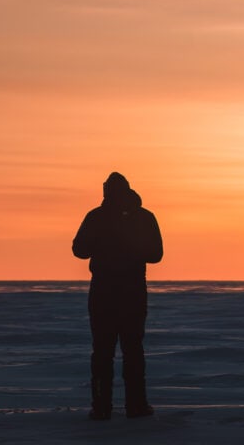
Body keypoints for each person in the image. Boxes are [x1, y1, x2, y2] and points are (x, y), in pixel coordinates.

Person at [72, 172, 163, 420]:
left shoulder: (102, 217)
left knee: (113, 350)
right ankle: (118, 406)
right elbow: (79, 249)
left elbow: (155, 254)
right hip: (116, 291)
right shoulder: (106, 217)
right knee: (120, 350)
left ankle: (118, 407)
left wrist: (123, 243)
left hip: (119, 290)